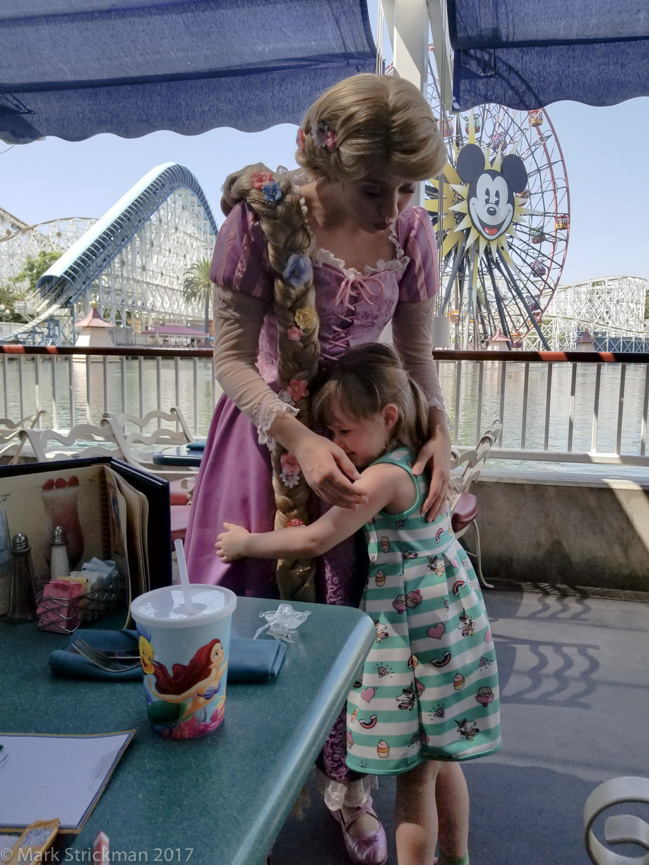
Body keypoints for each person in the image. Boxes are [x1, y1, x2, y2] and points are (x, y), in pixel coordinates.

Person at [184, 72, 450, 864]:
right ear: (325, 163)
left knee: (364, 630)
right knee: (247, 618)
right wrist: (295, 434)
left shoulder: (410, 233)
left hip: (365, 453)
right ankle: (240, 782)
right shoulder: (258, 221)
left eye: (407, 187)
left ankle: (348, 785)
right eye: (379, 186)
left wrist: (437, 430)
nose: (395, 205)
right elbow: (231, 360)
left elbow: (414, 355)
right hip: (266, 440)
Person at [216, 343, 502, 865]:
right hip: (454, 619)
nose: (334, 443)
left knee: (414, 780)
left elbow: (316, 539)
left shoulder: (385, 477)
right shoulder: (419, 453)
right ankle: (457, 859)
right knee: (444, 760)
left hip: (417, 637)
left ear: (387, 416)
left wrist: (245, 543)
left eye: (343, 431)